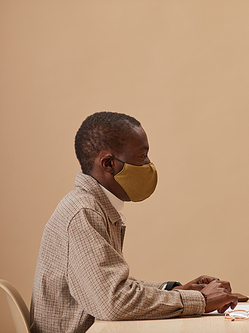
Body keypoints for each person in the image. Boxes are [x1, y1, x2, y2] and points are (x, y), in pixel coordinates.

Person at [30, 111, 238, 333]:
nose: (149, 164)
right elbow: (113, 301)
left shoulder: (93, 206)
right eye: (142, 156)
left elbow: (112, 286)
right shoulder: (84, 212)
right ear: (109, 163)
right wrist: (199, 301)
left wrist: (176, 290)